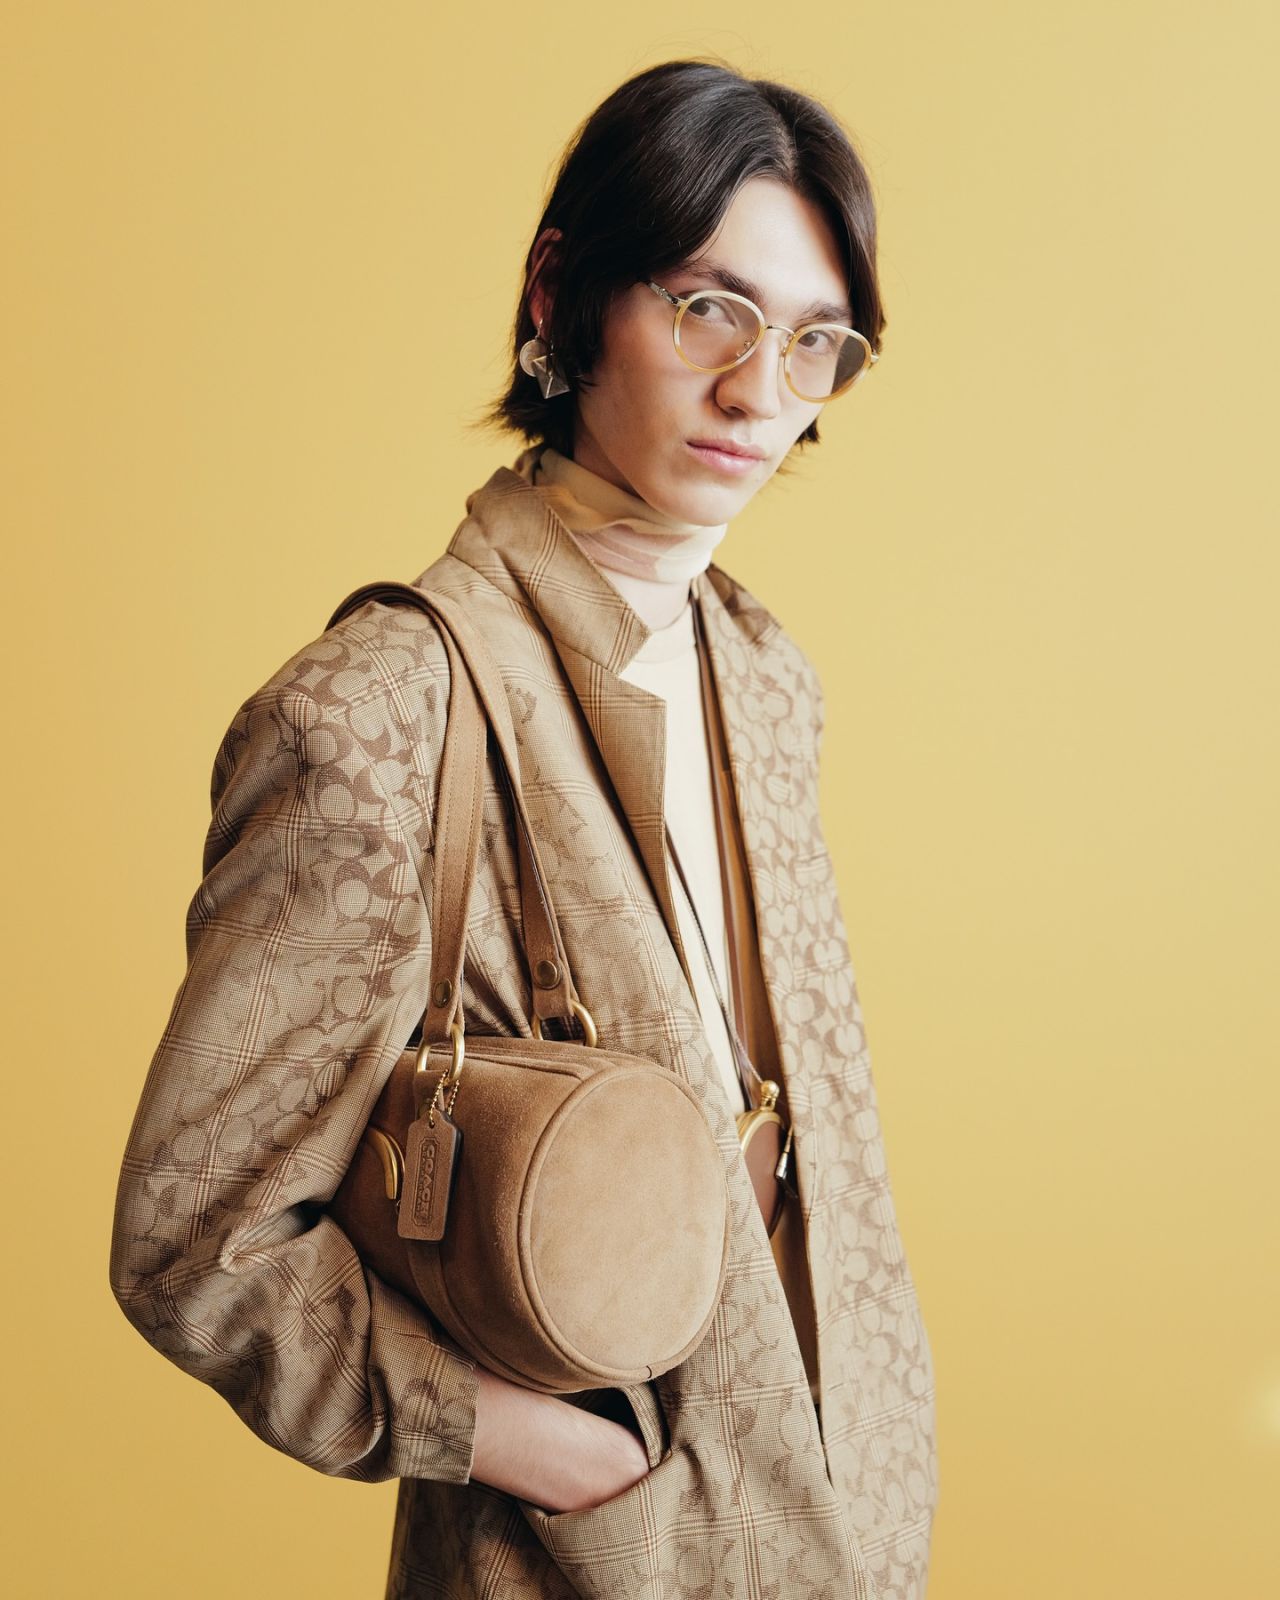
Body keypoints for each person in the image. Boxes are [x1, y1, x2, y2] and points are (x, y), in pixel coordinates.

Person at [110, 56, 937, 1600]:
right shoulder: (376, 712)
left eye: (814, 340)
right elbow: (196, 1242)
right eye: (709, 311)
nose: (760, 392)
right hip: (579, 1563)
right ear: (563, 294)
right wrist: (527, 1448)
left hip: (844, 1536)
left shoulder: (765, 677)